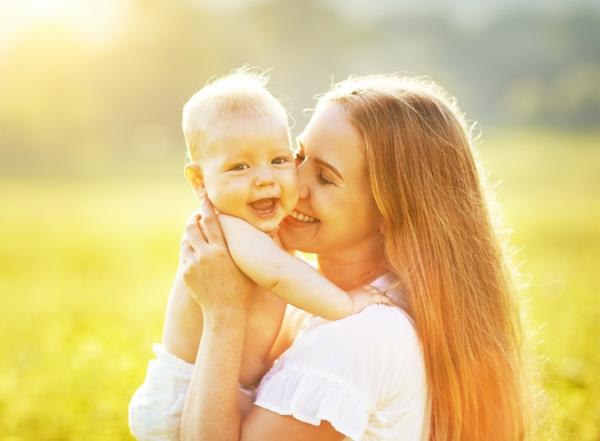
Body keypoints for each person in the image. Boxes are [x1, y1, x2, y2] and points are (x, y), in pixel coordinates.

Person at [131, 73, 529, 441]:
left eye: (324, 177)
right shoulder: (324, 307)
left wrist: (223, 313)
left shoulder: (358, 334)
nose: (288, 183)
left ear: (392, 212)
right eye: (298, 156)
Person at [128, 69, 390, 439]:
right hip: (184, 394)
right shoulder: (231, 231)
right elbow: (280, 275)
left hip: (234, 386)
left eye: (280, 160)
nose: (265, 178)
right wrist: (348, 303)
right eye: (240, 167)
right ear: (200, 180)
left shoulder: (261, 224)